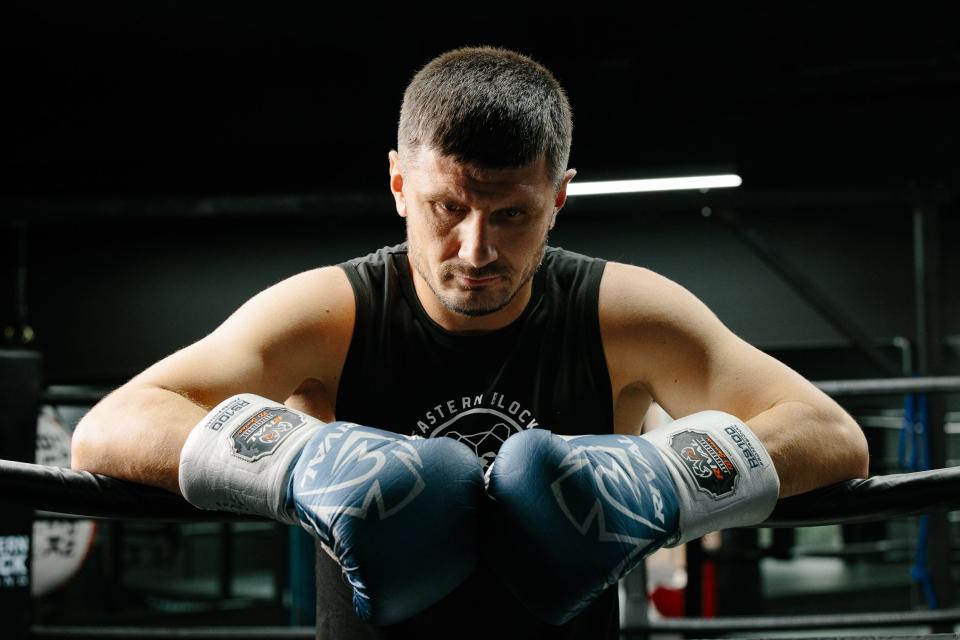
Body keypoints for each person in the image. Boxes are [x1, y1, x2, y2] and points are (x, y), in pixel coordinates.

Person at [71, 46, 869, 639]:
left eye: (513, 214)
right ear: (397, 186)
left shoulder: (620, 311)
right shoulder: (329, 313)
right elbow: (110, 426)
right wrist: (304, 461)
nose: (476, 249)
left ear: (559, 198)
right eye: (447, 207)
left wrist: (658, 481)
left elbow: (829, 434)